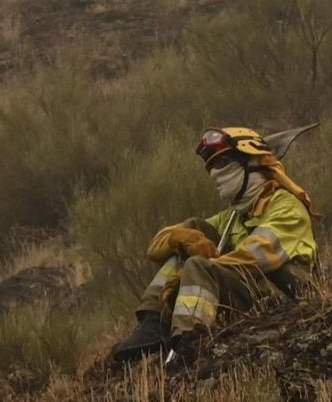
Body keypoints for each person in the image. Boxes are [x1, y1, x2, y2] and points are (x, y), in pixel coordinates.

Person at [110, 126, 318, 367]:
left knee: (198, 265)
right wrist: (181, 240)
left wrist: (196, 272)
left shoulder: (287, 207)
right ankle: (152, 321)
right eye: (212, 167)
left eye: (223, 164)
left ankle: (189, 341)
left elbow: (258, 255)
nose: (215, 174)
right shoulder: (234, 216)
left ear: (251, 163)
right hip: (252, 287)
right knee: (190, 235)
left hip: (283, 291)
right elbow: (156, 247)